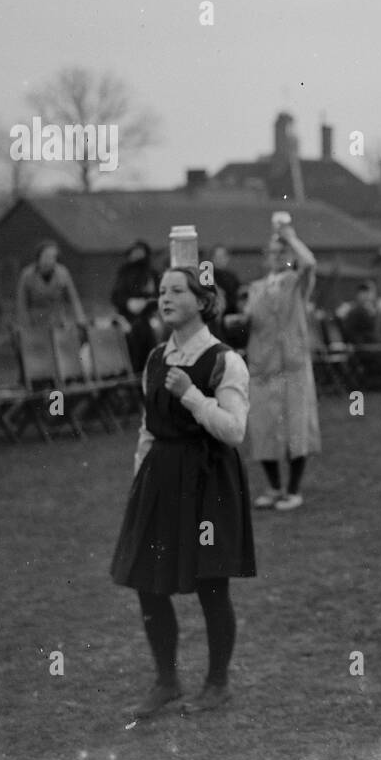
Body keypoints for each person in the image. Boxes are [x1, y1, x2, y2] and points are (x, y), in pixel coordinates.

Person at [109, 265, 254, 718]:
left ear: (202, 301)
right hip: (160, 479)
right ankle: (167, 680)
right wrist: (140, 478)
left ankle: (217, 683)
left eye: (176, 290)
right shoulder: (154, 358)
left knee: (212, 584)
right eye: (161, 291)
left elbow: (234, 431)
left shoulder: (224, 360)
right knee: (147, 583)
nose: (165, 297)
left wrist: (191, 393)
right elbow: (147, 427)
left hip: (208, 481)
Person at [242, 221, 321, 512]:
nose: (277, 257)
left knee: (296, 428)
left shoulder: (297, 283)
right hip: (263, 366)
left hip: (293, 366)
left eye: (283, 252)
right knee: (263, 427)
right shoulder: (255, 289)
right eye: (273, 252)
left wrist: (291, 237)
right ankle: (274, 487)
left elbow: (310, 263)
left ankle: (293, 489)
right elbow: (252, 323)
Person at [111, 240, 161, 373]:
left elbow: (158, 296)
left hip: (148, 316)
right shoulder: (124, 273)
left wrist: (146, 303)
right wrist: (128, 303)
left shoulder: (152, 274)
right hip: (126, 317)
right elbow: (116, 296)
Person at [16, 240, 87, 329]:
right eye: (46, 256)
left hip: (58, 322)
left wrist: (80, 319)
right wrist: (26, 325)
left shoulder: (63, 273)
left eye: (53, 257)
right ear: (39, 257)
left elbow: (74, 299)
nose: (49, 260)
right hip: (36, 324)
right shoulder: (27, 275)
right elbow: (22, 303)